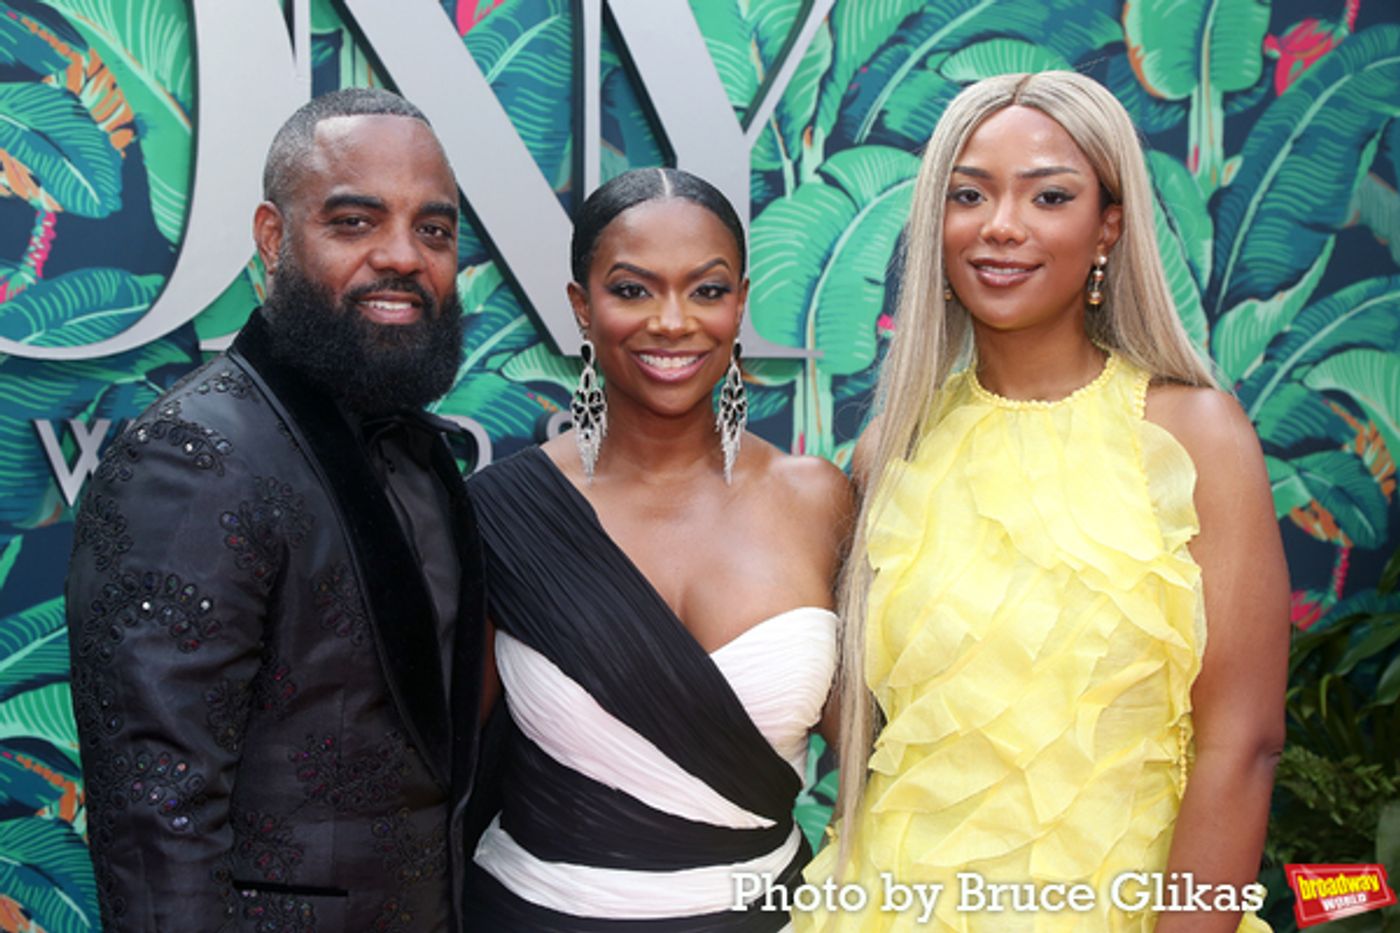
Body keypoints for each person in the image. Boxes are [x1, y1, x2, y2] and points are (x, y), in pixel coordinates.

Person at [795, 72, 1289, 932]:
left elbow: (1239, 746)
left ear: (1109, 224)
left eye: (1049, 195)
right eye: (968, 194)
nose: (1001, 227)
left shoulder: (1195, 436)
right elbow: (868, 738)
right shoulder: (891, 449)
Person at [66, 88, 486, 932]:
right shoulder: (191, 457)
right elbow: (158, 822)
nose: (403, 255)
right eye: (355, 222)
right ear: (272, 238)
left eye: (432, 230)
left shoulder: (426, 450)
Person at [462, 167, 852, 930]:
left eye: (706, 290)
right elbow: (434, 769)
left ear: (740, 303)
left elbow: (882, 753)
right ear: (581, 306)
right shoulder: (499, 513)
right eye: (633, 289)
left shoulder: (820, 498)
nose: (672, 321)